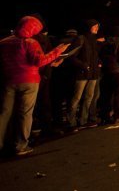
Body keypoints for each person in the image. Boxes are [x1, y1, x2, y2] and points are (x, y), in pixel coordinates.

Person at [0, 16, 69, 156]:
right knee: (25, 113)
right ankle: (20, 145)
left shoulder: (3, 42)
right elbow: (39, 61)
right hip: (29, 81)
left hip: (8, 81)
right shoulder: (30, 43)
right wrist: (57, 51)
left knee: (4, 113)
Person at [67, 19, 102, 129]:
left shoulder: (94, 40)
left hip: (93, 73)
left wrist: (99, 62)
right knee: (76, 97)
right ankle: (70, 121)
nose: (97, 28)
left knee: (89, 97)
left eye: (97, 26)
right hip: (82, 73)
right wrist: (83, 65)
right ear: (89, 27)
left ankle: (83, 120)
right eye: (94, 26)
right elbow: (72, 56)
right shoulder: (80, 39)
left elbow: (95, 56)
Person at [98, 26, 119, 124]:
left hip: (106, 72)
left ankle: (105, 116)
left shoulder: (104, 42)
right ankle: (117, 116)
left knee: (107, 95)